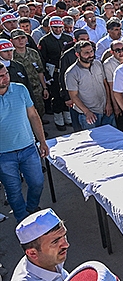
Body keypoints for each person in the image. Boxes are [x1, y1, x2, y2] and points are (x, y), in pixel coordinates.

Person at [0, 63, 48, 222]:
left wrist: (42, 141)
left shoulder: (20, 89)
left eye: (5, 73)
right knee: (13, 191)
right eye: (1, 76)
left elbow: (33, 116)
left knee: (37, 182)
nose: (5, 78)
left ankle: (31, 207)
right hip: (4, 155)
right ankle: (23, 220)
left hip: (28, 148)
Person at [65, 40, 115, 129]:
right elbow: (74, 96)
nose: (90, 55)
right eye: (86, 53)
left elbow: (105, 84)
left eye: (91, 51)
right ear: (77, 54)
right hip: (88, 115)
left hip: (105, 110)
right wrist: (87, 112)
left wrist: (108, 104)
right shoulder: (71, 73)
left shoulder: (98, 64)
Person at [12, 208, 69, 280]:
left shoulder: (49, 259)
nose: (66, 245)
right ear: (32, 253)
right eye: (55, 242)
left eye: (64, 236)